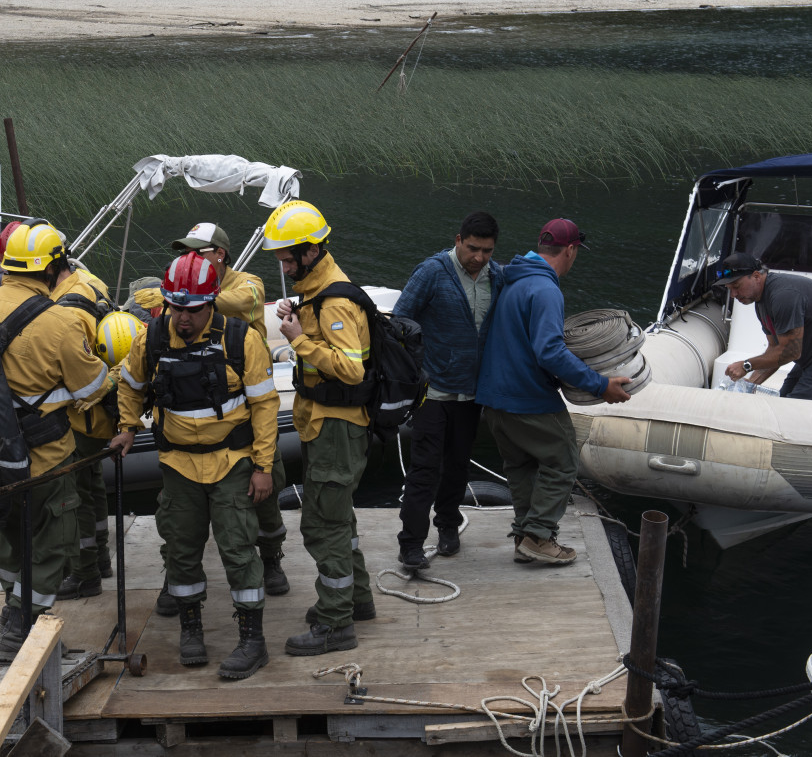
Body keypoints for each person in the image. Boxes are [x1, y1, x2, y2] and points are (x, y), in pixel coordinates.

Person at [0, 220, 112, 654]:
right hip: (45, 460)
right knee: (53, 543)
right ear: (53, 269)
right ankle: (21, 623)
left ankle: (12, 606)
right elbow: (91, 390)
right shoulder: (60, 322)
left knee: (11, 536)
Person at [110, 252, 278, 679]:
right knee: (181, 551)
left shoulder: (242, 340)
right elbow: (130, 386)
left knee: (239, 550)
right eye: (175, 308)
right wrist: (128, 427)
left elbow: (263, 405)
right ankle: (191, 628)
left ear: (212, 302)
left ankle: (252, 640)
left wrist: (263, 467)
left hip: (232, 462)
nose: (183, 319)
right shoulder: (152, 339)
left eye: (193, 310)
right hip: (178, 464)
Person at [475, 218, 631, 566]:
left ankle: (524, 538)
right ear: (571, 250)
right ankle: (539, 535)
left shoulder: (512, 280)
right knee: (562, 461)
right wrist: (601, 385)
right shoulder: (546, 290)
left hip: (493, 399)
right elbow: (550, 352)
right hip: (527, 399)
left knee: (521, 467)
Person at [262, 200, 375, 656]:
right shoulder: (318, 288)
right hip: (323, 424)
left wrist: (298, 340)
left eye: (289, 258)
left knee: (322, 524)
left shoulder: (335, 299)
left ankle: (335, 623)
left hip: (337, 427)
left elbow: (351, 370)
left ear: (311, 251)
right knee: (339, 518)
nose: (284, 266)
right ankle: (357, 601)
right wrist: (299, 316)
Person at [168, 222, 291, 600]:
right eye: (184, 251)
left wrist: (188, 296)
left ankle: (271, 558)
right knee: (180, 517)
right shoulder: (184, 294)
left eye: (198, 251)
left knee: (266, 502)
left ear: (219, 254)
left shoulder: (248, 282)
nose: (188, 258)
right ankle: (177, 574)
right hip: (199, 403)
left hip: (247, 402)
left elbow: (240, 303)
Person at [392, 211, 503, 566]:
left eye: (487, 251)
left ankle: (448, 526)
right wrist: (417, 368)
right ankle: (410, 545)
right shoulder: (431, 272)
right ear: (458, 240)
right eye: (472, 249)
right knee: (424, 470)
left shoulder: (496, 277)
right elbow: (399, 320)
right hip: (432, 393)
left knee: (457, 467)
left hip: (470, 395)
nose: (479, 258)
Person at [51, 255, 118, 601]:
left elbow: (77, 370)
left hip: (83, 414)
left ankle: (85, 572)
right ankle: (101, 557)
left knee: (77, 495)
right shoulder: (90, 282)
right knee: (92, 484)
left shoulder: (68, 312)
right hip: (99, 415)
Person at [715, 252, 812, 400]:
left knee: (795, 408)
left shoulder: (783, 295)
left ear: (756, 276)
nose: (733, 294)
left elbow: (790, 352)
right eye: (729, 288)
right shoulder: (760, 302)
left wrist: (746, 365)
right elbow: (775, 349)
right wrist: (749, 384)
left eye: (736, 286)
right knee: (783, 401)